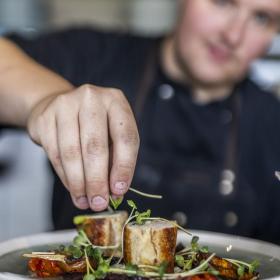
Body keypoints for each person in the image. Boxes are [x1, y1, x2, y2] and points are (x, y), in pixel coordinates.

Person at [1, 0, 280, 244]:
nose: (233, 35)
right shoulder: (96, 56)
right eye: (221, 2)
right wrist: (47, 98)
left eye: (261, 18)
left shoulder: (271, 124)